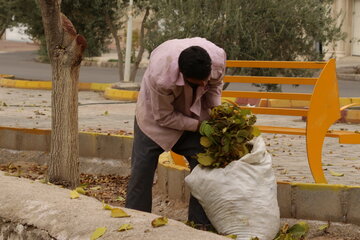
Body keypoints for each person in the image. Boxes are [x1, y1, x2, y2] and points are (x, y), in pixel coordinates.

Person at [125, 37, 226, 226]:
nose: (203, 85)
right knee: (142, 171)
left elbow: (214, 86)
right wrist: (199, 126)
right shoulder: (161, 76)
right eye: (197, 83)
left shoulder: (217, 59)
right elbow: (163, 116)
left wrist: (216, 111)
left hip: (194, 115)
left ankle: (198, 226)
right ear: (183, 75)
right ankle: (134, 224)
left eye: (205, 80)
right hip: (155, 122)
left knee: (204, 169)